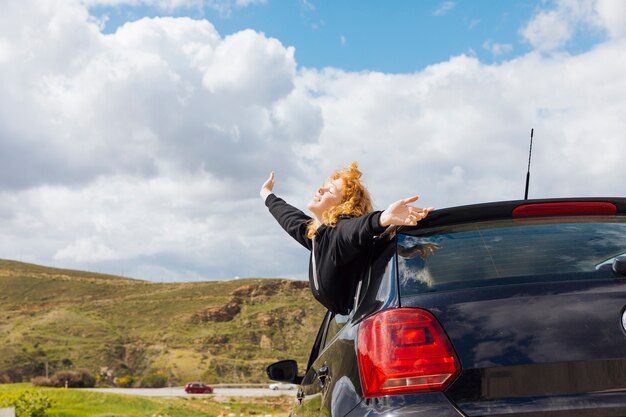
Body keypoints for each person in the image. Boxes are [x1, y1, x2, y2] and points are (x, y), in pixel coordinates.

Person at [260, 162, 434, 314]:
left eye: (329, 190)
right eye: (323, 185)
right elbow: (289, 217)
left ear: (344, 206)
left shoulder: (339, 232)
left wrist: (382, 218)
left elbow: (355, 228)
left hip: (366, 315)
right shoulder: (317, 236)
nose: (319, 189)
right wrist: (266, 194)